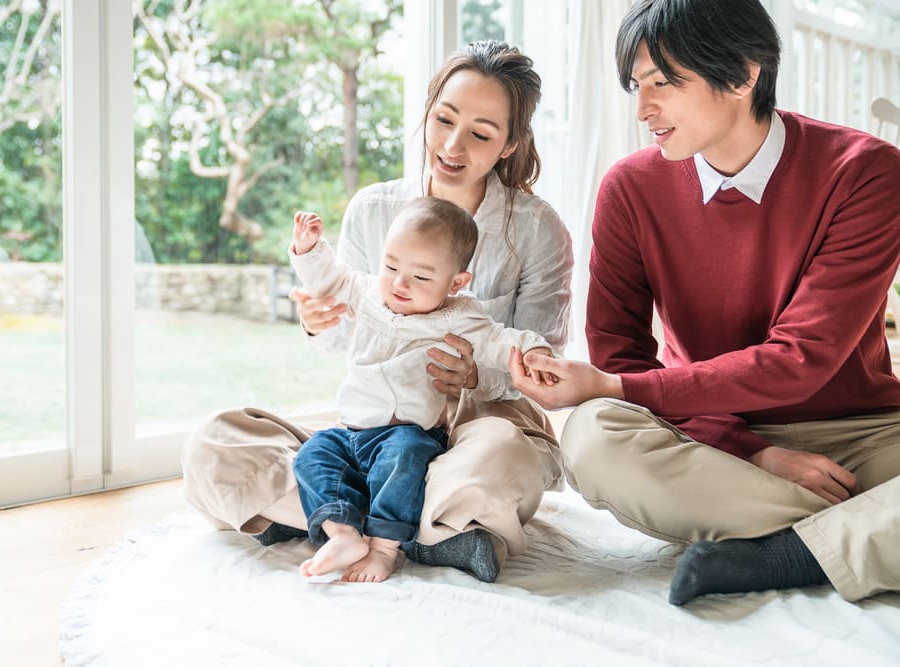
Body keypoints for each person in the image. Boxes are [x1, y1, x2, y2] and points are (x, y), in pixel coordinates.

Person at [509, 0, 900, 606]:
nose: (643, 111)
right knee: (591, 437)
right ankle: (856, 535)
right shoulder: (631, 188)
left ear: (744, 74)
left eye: (664, 83)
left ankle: (787, 550)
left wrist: (611, 386)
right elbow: (621, 354)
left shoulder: (867, 172)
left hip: (862, 433)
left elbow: (801, 358)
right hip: (709, 437)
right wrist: (755, 453)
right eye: (637, 87)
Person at [181, 40, 573, 583]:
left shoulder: (536, 228)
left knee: (503, 458)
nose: (453, 145)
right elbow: (352, 325)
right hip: (375, 429)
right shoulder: (375, 208)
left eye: (481, 134)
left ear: (510, 144)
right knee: (214, 443)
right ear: (428, 111)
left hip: (480, 425)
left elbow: (541, 356)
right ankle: (434, 531)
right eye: (444, 120)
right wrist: (318, 323)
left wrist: (476, 377)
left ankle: (317, 515)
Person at [288, 198, 556, 582]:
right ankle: (343, 532)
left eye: (421, 277)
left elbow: (500, 341)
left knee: (404, 458)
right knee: (312, 455)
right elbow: (332, 278)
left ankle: (384, 548)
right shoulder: (368, 295)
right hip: (353, 434)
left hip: (408, 434)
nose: (399, 283)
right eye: (391, 266)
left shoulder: (459, 316)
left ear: (456, 282)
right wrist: (310, 248)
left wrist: (532, 350)